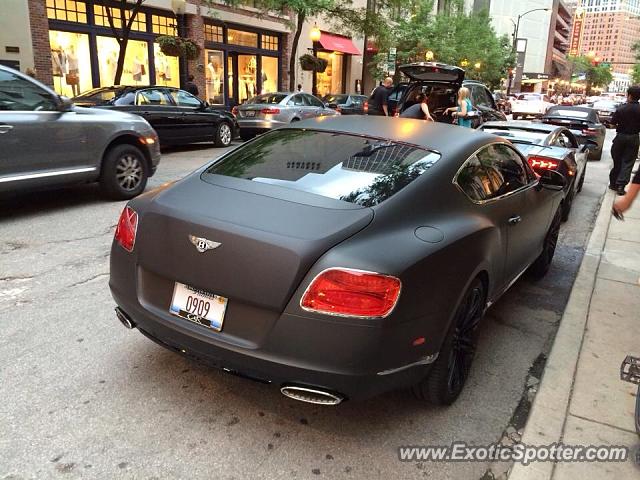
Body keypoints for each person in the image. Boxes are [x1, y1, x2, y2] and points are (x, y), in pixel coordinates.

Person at [608, 85, 640, 196]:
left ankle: (613, 183)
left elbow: (612, 125)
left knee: (617, 160)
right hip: (634, 138)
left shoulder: (621, 108)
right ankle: (621, 186)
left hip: (620, 137)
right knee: (628, 162)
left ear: (629, 95)